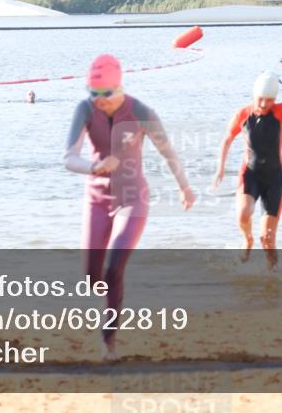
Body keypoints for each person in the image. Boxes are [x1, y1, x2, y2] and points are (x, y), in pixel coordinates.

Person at [63, 54, 195, 360]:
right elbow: (68, 157)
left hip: (132, 199)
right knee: (91, 278)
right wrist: (94, 167)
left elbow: (168, 151)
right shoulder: (84, 109)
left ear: (119, 86)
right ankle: (110, 298)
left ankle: (108, 341)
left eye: (105, 94)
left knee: (114, 268)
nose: (99, 101)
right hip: (96, 199)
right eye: (93, 94)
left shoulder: (141, 111)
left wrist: (184, 187)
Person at [214, 59, 282, 267]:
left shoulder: (280, 112)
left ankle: (272, 279)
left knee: (268, 239)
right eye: (261, 99)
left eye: (270, 100)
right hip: (250, 173)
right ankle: (247, 239)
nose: (264, 104)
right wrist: (220, 168)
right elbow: (227, 139)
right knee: (243, 213)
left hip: (274, 178)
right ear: (254, 95)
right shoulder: (243, 114)